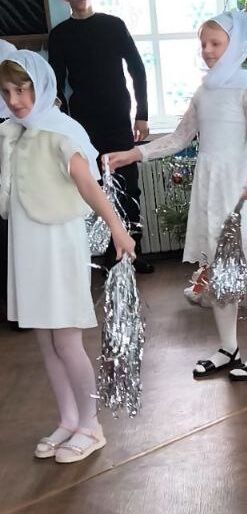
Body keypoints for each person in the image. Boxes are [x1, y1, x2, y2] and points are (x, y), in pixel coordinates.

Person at [108, 10, 247, 382]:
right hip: (210, 188)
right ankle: (228, 347)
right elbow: (179, 137)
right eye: (203, 44)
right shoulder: (204, 92)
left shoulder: (246, 88)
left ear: (234, 45)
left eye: (216, 43)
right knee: (216, 269)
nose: (208, 50)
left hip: (240, 187)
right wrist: (134, 154)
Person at [0, 50, 135, 462]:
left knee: (66, 340)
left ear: (40, 86)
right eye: (6, 92)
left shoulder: (61, 131)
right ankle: (68, 419)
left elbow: (89, 185)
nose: (15, 100)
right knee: (45, 340)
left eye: (22, 89)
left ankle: (91, 425)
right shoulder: (13, 133)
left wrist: (117, 228)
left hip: (58, 245)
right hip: (26, 245)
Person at [48, 0, 154, 274]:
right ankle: (111, 254)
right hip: (83, 124)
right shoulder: (59, 34)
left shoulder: (114, 25)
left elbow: (137, 69)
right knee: (96, 188)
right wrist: (63, 124)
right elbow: (55, 84)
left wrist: (142, 114)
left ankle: (134, 252)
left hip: (118, 118)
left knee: (128, 187)